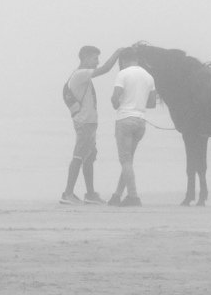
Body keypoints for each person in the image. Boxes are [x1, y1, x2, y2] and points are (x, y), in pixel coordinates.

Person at [60, 45, 122, 205]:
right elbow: (106, 69)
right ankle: (67, 194)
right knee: (79, 155)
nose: (97, 62)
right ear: (86, 57)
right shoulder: (81, 74)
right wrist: (118, 52)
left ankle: (90, 194)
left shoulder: (82, 76)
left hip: (89, 122)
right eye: (95, 58)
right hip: (84, 122)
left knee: (89, 157)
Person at [108, 47, 156, 207]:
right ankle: (117, 195)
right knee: (128, 161)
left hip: (125, 119)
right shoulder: (149, 76)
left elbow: (115, 98)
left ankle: (133, 196)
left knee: (125, 160)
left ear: (123, 60)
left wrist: (116, 103)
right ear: (137, 59)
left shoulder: (123, 74)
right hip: (141, 121)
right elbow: (152, 103)